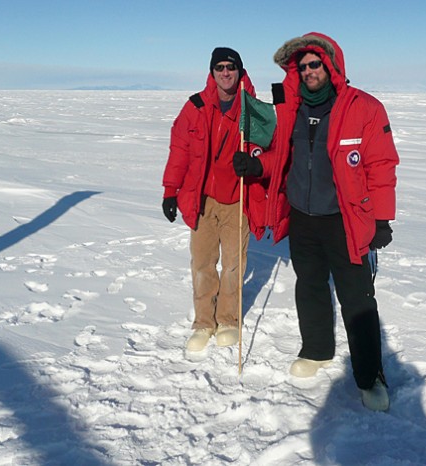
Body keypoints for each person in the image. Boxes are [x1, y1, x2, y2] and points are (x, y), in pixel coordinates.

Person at [233, 33, 399, 411]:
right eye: (303, 66)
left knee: (356, 297)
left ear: (331, 66)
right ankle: (318, 350)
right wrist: (258, 165)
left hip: (345, 218)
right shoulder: (291, 110)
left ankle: (370, 375)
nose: (309, 71)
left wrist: (382, 218)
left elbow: (381, 166)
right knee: (309, 286)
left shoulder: (364, 108)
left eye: (315, 64)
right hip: (303, 217)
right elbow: (282, 159)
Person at [162, 47, 266, 353]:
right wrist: (171, 191)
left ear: (239, 70)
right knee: (203, 265)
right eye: (219, 67)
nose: (225, 72)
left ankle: (229, 320)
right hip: (202, 200)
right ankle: (204, 323)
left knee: (233, 266)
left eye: (230, 67)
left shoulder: (252, 108)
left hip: (237, 199)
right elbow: (179, 151)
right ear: (212, 71)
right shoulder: (194, 107)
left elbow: (267, 147)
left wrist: (253, 160)